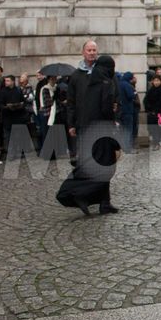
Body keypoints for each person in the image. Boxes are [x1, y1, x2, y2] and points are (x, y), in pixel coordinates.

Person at [57, 55, 121, 215]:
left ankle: (103, 202)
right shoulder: (106, 83)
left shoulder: (90, 83)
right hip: (102, 132)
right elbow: (106, 110)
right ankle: (78, 194)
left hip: (87, 129)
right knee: (106, 167)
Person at [67, 39, 101, 162]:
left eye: (94, 50)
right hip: (82, 122)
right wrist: (71, 124)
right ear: (83, 52)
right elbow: (71, 101)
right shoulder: (76, 75)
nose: (92, 53)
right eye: (89, 50)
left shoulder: (104, 73)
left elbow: (115, 98)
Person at [0, 75, 28, 160]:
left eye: (8, 81)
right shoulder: (2, 91)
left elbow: (23, 102)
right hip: (7, 117)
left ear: (13, 81)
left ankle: (20, 152)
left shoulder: (18, 90)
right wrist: (7, 107)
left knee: (18, 136)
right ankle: (10, 153)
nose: (6, 82)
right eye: (5, 81)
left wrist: (19, 106)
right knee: (8, 136)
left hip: (18, 117)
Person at [143, 75, 161, 151]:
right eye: (154, 80)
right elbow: (146, 101)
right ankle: (156, 144)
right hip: (153, 113)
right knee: (154, 130)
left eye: (157, 80)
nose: (156, 82)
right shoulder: (151, 90)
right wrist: (150, 110)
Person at [118, 72, 137, 152]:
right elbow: (130, 96)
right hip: (128, 110)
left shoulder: (119, 84)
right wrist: (135, 93)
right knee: (128, 130)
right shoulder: (127, 85)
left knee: (123, 130)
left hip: (120, 111)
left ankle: (123, 147)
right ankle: (128, 148)